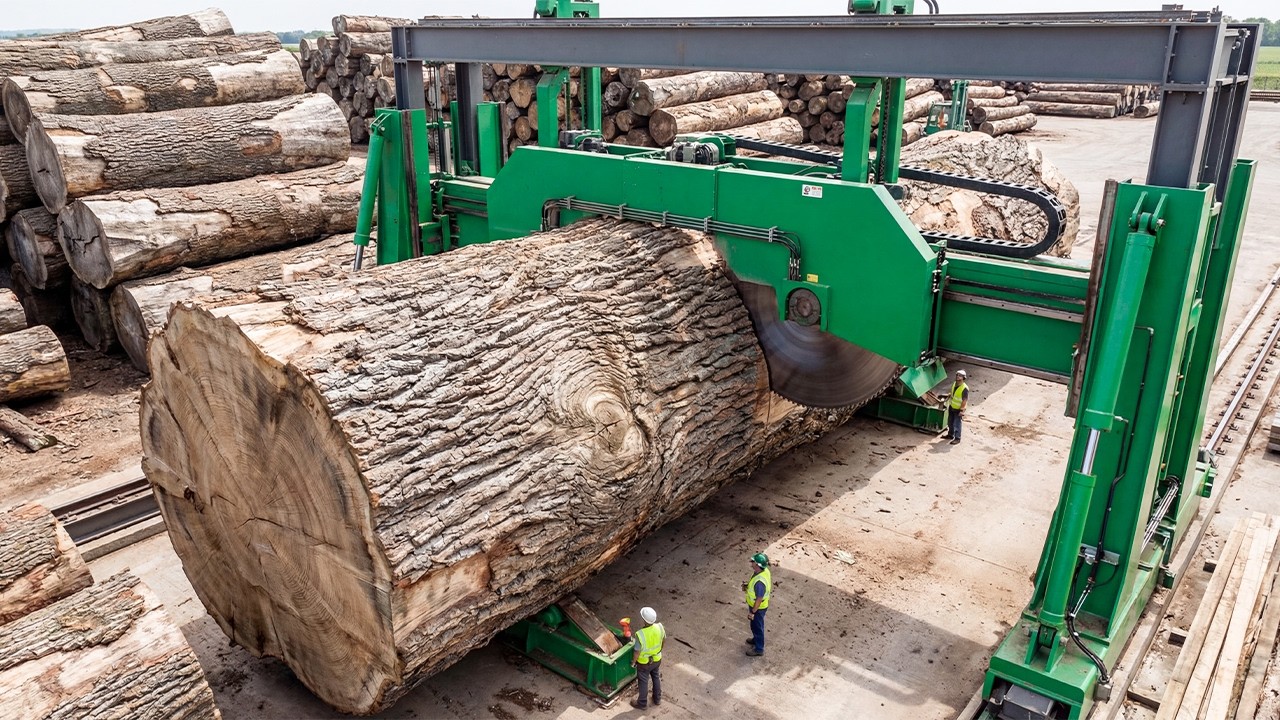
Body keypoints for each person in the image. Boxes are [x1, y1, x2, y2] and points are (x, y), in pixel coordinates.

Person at [631, 606, 665, 709]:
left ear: (644, 620)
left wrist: (633, 662)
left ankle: (642, 703)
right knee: (655, 677)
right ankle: (657, 699)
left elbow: (637, 651)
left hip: (644, 663)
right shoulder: (660, 627)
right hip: (657, 659)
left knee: (643, 681)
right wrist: (658, 651)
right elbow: (663, 640)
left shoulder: (640, 634)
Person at [744, 552, 771, 657]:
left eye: (753, 562)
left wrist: (753, 612)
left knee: (757, 626)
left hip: (758, 608)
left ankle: (759, 648)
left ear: (758, 565)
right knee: (756, 625)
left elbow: (759, 599)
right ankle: (756, 639)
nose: (751, 563)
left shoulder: (760, 583)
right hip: (759, 607)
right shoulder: (763, 571)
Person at [941, 369, 969, 445]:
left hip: (958, 409)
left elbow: (964, 400)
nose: (958, 376)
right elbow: (953, 393)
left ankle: (957, 438)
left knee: (957, 424)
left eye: (960, 376)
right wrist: (948, 395)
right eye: (957, 375)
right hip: (952, 406)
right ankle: (950, 435)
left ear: (963, 378)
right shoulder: (954, 384)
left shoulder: (964, 388)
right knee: (950, 422)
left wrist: (962, 410)